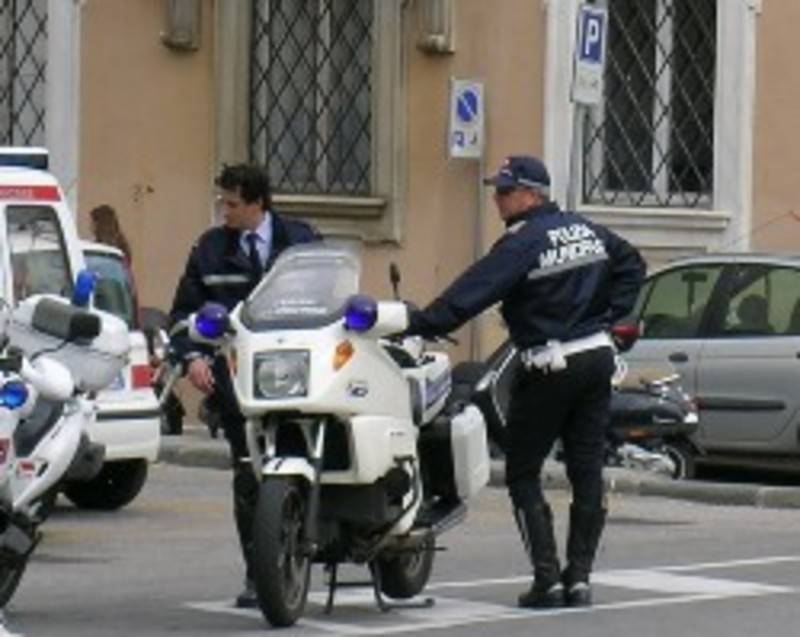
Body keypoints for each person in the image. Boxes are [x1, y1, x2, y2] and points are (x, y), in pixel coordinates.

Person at [405, 155, 645, 609]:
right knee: (586, 468)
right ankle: (580, 580)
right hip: (597, 358)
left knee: (522, 469)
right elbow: (632, 263)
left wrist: (420, 322)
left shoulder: (522, 242)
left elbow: (470, 293)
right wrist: (612, 318)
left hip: (550, 365)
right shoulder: (584, 228)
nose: (497, 200)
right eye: (496, 190)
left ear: (533, 194)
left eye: (505, 191)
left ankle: (547, 579)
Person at [169, 163, 319, 608]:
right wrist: (194, 358)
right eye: (222, 202)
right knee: (248, 478)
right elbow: (184, 314)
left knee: (308, 464)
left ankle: (308, 549)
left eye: (232, 203)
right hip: (237, 381)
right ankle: (260, 576)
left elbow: (334, 299)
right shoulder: (210, 249)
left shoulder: (302, 241)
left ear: (257, 203)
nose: (224, 211)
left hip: (300, 380)